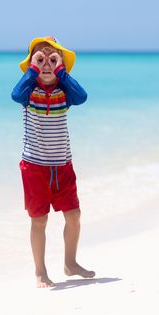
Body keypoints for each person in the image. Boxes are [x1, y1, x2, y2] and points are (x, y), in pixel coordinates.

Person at [11, 36, 95, 288]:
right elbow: (15, 95)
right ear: (32, 64)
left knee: (74, 214)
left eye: (52, 59)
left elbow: (82, 97)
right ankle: (40, 272)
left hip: (62, 165)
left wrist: (61, 71)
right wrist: (33, 69)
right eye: (40, 59)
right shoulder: (29, 91)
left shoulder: (63, 91)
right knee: (39, 220)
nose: (46, 65)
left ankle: (70, 263)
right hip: (34, 167)